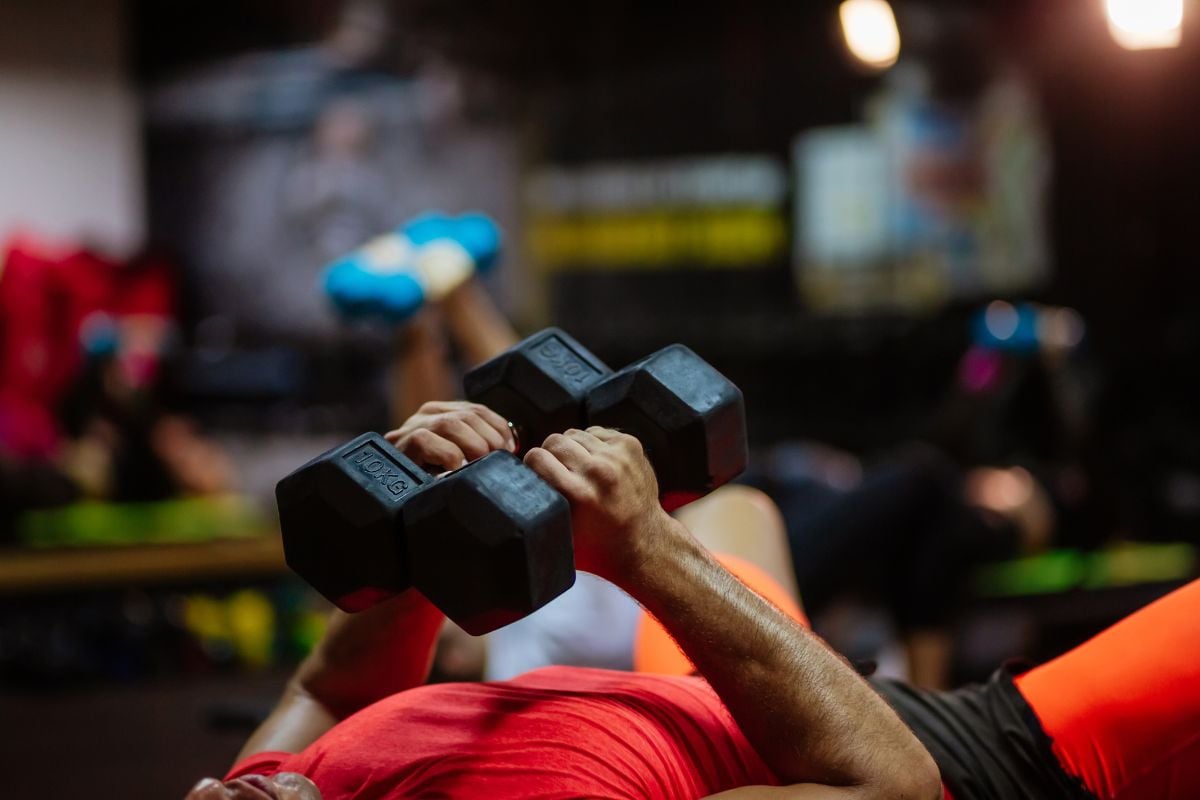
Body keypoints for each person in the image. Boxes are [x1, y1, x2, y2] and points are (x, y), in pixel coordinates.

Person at [185, 401, 1200, 800]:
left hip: (706, 688)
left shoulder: (267, 788)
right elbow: (893, 784)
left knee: (737, 510)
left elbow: (332, 686)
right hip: (947, 749)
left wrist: (417, 516)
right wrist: (644, 548)